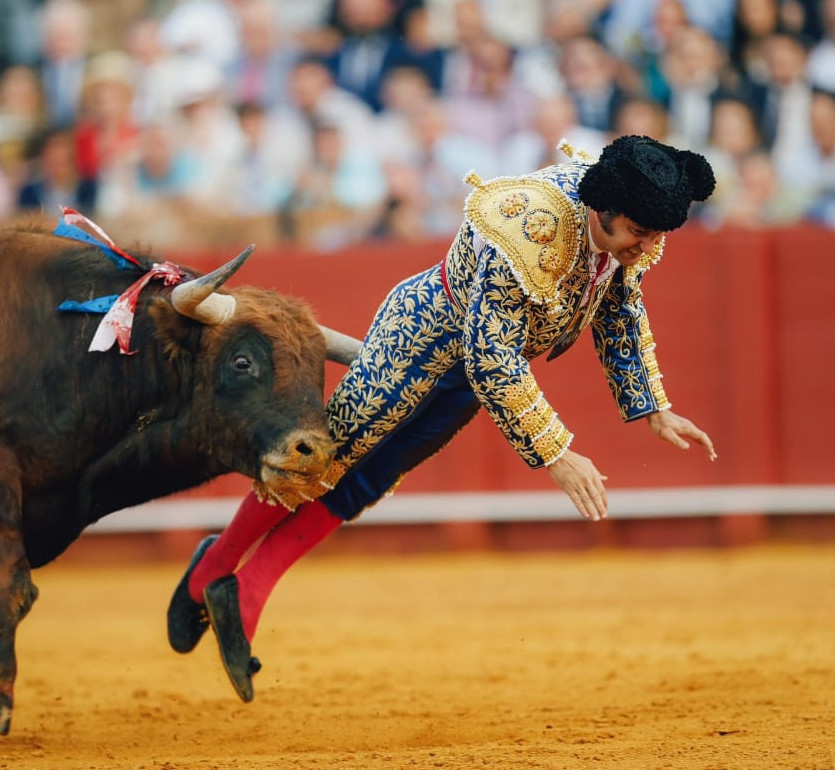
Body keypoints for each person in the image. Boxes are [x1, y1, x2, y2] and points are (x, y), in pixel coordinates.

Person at [167, 134, 719, 702]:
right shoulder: (530, 227)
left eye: (656, 236)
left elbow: (618, 303)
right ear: (605, 211)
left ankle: (252, 586)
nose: (647, 246)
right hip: (423, 338)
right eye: (639, 233)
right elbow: (492, 357)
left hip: (472, 371)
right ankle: (215, 568)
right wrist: (556, 453)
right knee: (326, 457)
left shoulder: (628, 229)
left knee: (369, 480)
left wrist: (653, 406)